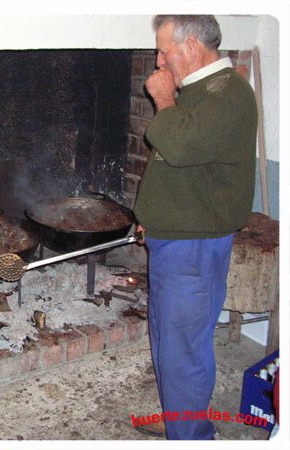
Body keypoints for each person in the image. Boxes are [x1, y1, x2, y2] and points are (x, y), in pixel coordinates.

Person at [133, 15, 258, 440]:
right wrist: (154, 217)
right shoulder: (200, 91)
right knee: (168, 342)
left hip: (196, 246)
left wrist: (164, 100)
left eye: (164, 49)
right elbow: (178, 164)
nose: (158, 59)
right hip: (175, 239)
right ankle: (180, 424)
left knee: (182, 349)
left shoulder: (227, 94)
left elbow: (181, 146)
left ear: (190, 46)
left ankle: (192, 438)